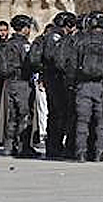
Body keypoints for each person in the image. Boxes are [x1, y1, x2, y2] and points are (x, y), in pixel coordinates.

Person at [73, 11, 103, 162]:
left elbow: (72, 64)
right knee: (102, 121)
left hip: (83, 85)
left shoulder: (80, 41)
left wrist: (73, 83)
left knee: (82, 120)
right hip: (102, 87)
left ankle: (81, 152)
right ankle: (100, 152)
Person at [30, 11, 76, 158]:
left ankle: (54, 145)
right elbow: (54, 57)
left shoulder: (49, 35)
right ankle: (55, 146)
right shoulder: (57, 37)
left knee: (55, 113)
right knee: (59, 113)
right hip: (57, 79)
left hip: (51, 78)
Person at [0, 15, 38, 158]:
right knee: (25, 115)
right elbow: (30, 62)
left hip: (10, 83)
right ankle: (24, 147)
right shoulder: (23, 44)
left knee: (12, 115)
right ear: (25, 28)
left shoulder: (8, 43)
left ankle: (9, 146)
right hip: (22, 82)